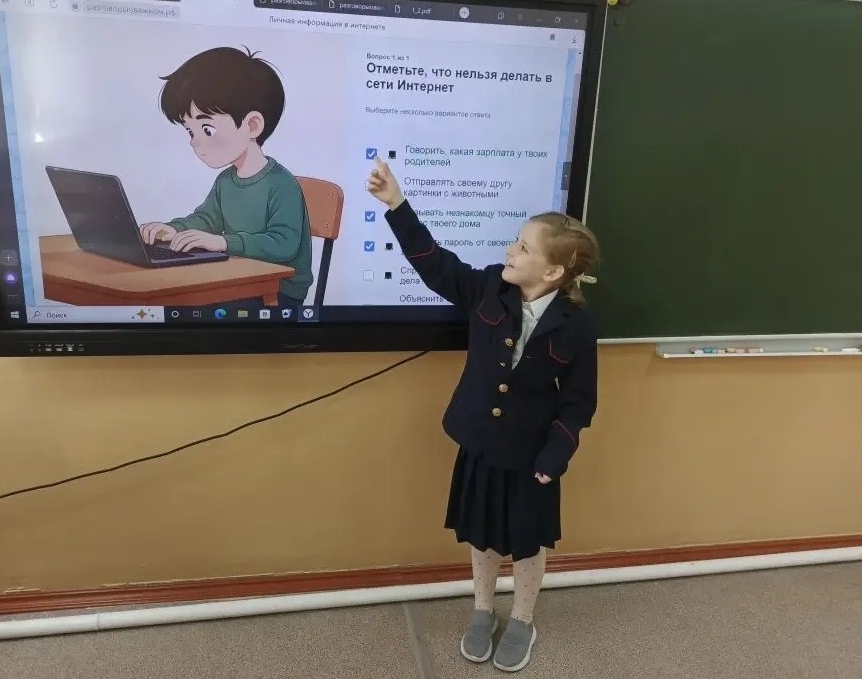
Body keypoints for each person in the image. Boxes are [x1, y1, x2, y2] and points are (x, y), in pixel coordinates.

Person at [367, 158, 600, 672]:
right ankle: (481, 609)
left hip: (532, 454)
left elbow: (579, 400)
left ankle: (522, 619)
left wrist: (556, 454)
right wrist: (397, 204)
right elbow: (435, 263)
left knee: (526, 540)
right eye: (516, 242)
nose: (510, 251)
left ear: (554, 272)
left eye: (523, 248)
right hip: (480, 443)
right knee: (482, 533)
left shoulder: (577, 326)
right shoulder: (490, 287)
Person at [139, 46, 313, 311]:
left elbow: (283, 245)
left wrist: (222, 242)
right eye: (190, 131)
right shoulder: (225, 181)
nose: (195, 142)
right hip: (241, 276)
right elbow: (207, 219)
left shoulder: (282, 184)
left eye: (206, 129)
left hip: (279, 290)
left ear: (252, 125)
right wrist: (174, 229)